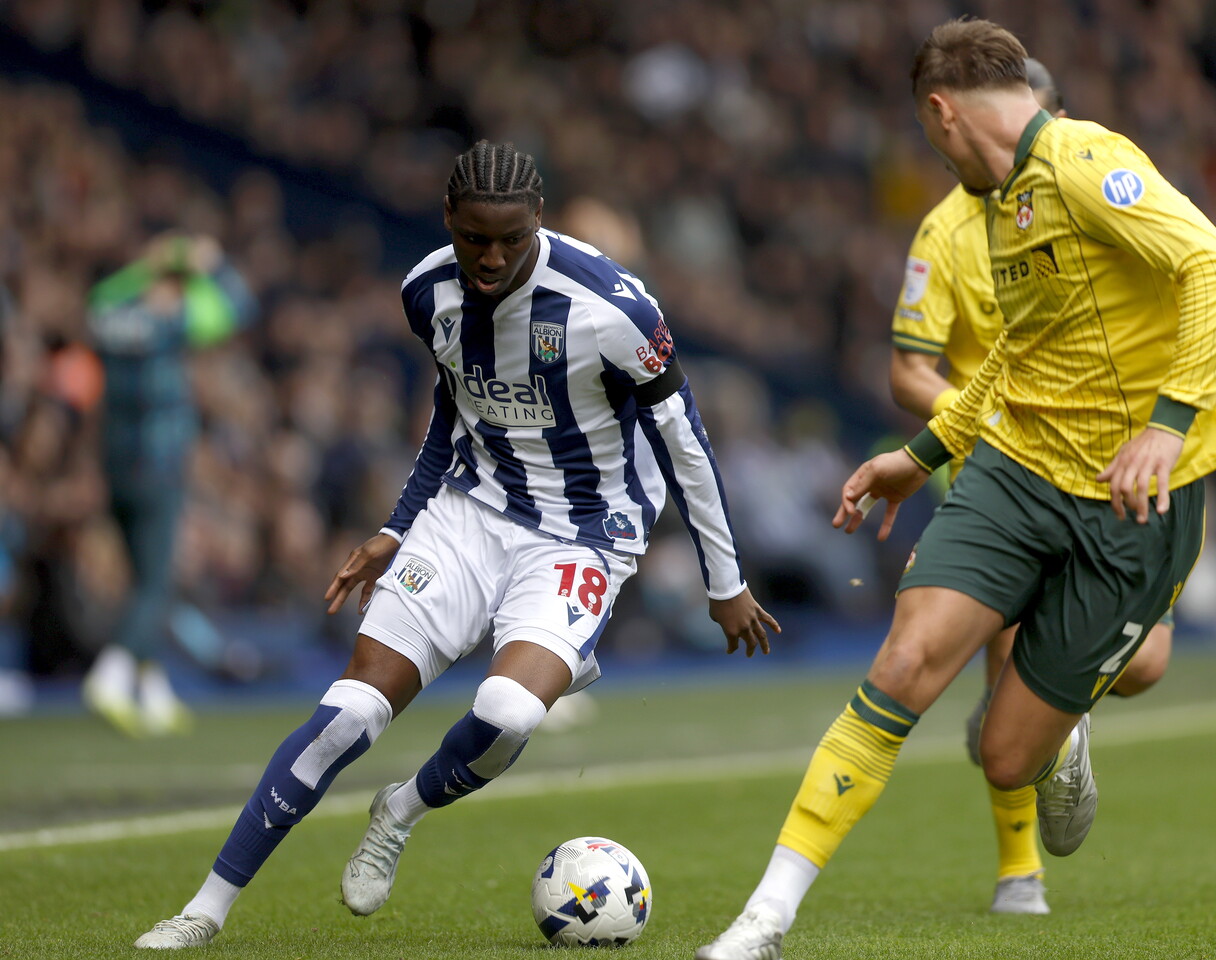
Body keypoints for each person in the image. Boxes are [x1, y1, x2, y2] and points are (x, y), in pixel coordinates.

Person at [696, 18, 1216, 960]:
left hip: (1133, 503)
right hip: (1017, 471)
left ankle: (1055, 730)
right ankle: (764, 921)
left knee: (1006, 752)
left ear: (940, 111)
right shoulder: (991, 204)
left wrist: (1167, 423)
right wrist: (920, 455)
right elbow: (1015, 352)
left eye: (926, 134)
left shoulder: (1085, 163)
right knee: (903, 666)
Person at [133, 140, 779, 949]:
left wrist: (726, 582)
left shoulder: (614, 310)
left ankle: (399, 810)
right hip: (469, 515)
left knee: (505, 710)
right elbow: (453, 411)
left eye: (511, 238)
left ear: (539, 218)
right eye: (476, 237)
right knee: (348, 713)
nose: (493, 256)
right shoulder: (424, 292)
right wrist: (395, 527)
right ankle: (204, 910)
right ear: (449, 220)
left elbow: (686, 444)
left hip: (581, 534)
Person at [887, 58, 1174, 915]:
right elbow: (909, 369)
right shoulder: (946, 231)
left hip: (1111, 457)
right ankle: (1021, 873)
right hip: (1000, 473)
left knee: (1146, 663)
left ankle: (1057, 716)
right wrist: (980, 421)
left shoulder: (1088, 186)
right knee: (1003, 651)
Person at [82, 233, 256, 737]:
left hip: (114, 466)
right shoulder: (174, 320)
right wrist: (207, 265)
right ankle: (111, 675)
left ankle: (152, 691)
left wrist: (149, 265)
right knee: (155, 583)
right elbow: (238, 305)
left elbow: (104, 296)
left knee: (144, 582)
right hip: (158, 469)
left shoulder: (112, 315)